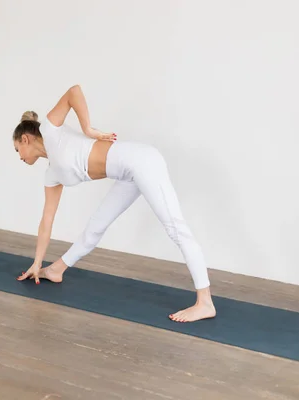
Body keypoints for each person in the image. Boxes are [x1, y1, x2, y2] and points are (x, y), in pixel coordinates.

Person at [14, 84, 216, 323]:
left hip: (142, 161)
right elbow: (46, 221)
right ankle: (56, 269)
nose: (19, 156)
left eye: (18, 149)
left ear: (25, 139)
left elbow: (74, 92)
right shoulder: (51, 175)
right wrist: (37, 264)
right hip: (126, 175)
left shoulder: (50, 129)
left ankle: (205, 302)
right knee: (96, 226)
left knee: (175, 228)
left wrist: (88, 129)